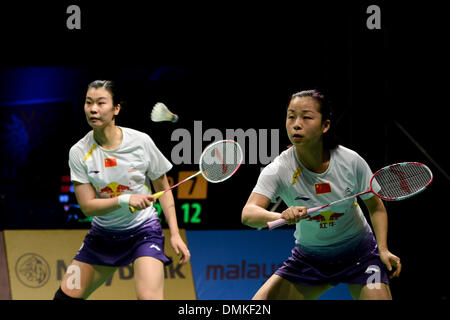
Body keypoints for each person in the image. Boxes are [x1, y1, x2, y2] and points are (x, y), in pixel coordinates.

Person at [241, 89, 401, 300]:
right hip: (310, 259)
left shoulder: (350, 161)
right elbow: (248, 214)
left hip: (360, 255)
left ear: (325, 125)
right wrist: (280, 216)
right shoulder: (279, 168)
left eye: (306, 117)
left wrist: (383, 249)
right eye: (291, 116)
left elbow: (375, 206)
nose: (296, 124)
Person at [54, 80, 190, 300]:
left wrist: (174, 233)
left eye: (100, 103)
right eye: (88, 103)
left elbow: (163, 188)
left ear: (116, 108)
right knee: (65, 297)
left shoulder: (141, 142)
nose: (93, 109)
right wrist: (125, 200)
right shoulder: (78, 152)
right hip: (103, 236)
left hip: (144, 231)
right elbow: (88, 207)